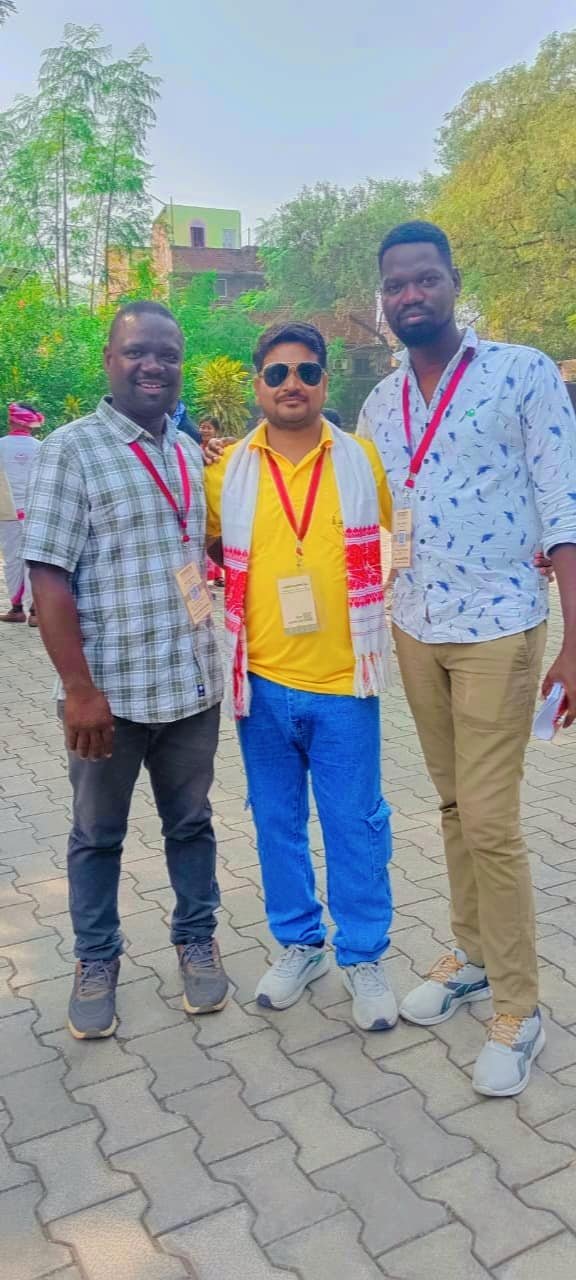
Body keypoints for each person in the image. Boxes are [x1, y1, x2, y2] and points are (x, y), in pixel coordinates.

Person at [358, 220, 576, 1096]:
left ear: (454, 282)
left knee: (490, 819)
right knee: (452, 805)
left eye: (425, 279)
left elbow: (564, 504)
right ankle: (473, 955)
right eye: (395, 285)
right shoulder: (380, 403)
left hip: (499, 625)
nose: (410, 295)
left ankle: (520, 1008)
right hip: (416, 625)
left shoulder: (522, 372)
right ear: (383, 301)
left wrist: (574, 641)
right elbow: (372, 521)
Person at [24, 300, 228, 1040]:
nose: (153, 366)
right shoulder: (70, 451)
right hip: (109, 696)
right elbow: (47, 576)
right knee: (97, 835)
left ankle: (196, 939)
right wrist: (79, 691)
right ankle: (95, 959)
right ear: (110, 360)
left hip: (192, 685)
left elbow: (191, 551)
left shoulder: (186, 451)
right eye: (138, 351)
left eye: (167, 355)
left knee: (192, 825)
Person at [205, 321, 397, 1032]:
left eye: (308, 371)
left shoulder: (361, 460)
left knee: (356, 825)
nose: (293, 384)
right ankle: (299, 944)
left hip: (345, 681)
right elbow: (207, 551)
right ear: (258, 383)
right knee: (277, 823)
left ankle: (364, 956)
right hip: (259, 684)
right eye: (279, 372)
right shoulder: (225, 472)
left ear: (323, 381)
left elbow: (393, 539)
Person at [0, 402, 43, 626]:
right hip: (36, 511)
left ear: (11, 421)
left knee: (12, 560)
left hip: (7, 511)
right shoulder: (42, 447)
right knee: (36, 559)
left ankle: (17, 609)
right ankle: (36, 611)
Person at [199, 419, 226, 587]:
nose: (204, 430)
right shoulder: (195, 450)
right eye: (202, 427)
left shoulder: (228, 451)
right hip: (213, 535)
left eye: (208, 427)